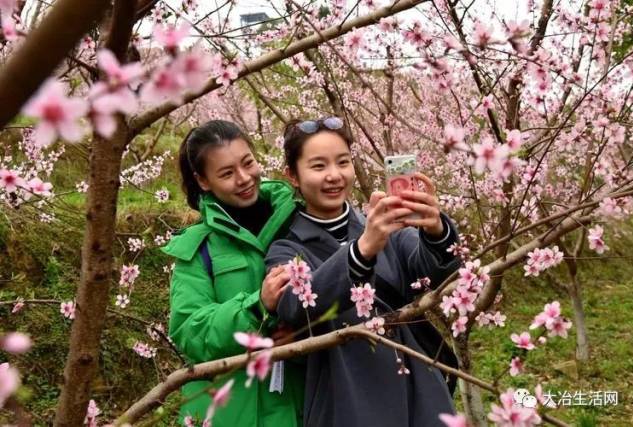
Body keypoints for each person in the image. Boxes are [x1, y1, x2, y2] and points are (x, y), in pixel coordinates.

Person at [264, 117, 461, 427]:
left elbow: (433, 271)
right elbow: (294, 306)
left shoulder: (385, 227)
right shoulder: (286, 248)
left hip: (418, 390)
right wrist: (362, 249)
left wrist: (436, 230)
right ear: (293, 175)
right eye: (318, 166)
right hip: (347, 399)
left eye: (343, 162)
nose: (334, 175)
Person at [161, 120, 304, 426]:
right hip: (228, 412)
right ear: (203, 181)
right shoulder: (198, 248)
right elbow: (191, 331)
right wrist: (257, 306)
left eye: (248, 163)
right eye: (226, 173)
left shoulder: (301, 220)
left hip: (300, 402)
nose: (244, 178)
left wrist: (304, 335)